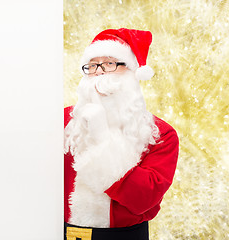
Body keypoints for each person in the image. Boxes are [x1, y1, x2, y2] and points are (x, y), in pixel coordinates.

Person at [64, 28, 179, 240]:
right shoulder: (64, 121)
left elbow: (144, 199)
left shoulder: (161, 134)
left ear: (132, 72)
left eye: (109, 64)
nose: (99, 72)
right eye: (92, 65)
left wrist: (101, 139)